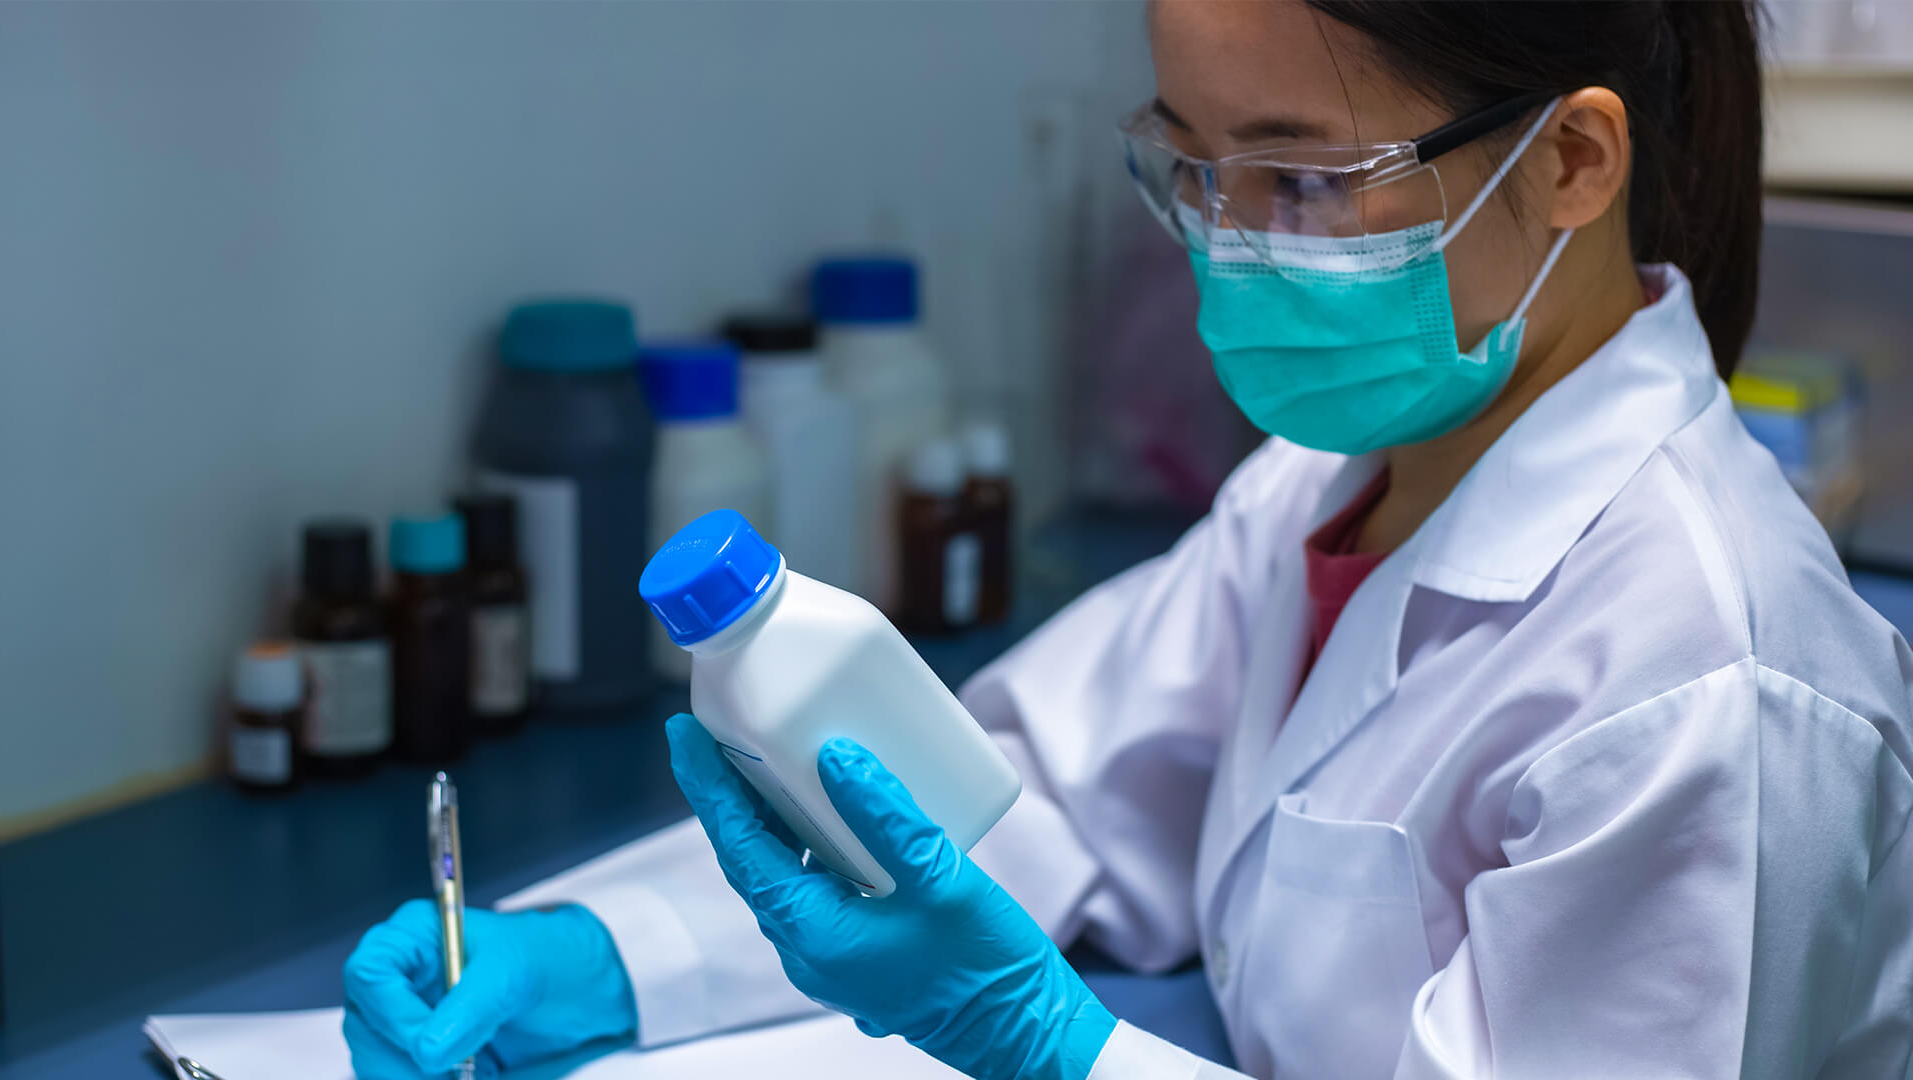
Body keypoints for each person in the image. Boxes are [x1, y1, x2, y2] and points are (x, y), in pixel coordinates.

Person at [341, 2, 1913, 1078]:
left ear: (1570, 162)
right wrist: (608, 956)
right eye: (1195, 168)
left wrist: (1053, 1048)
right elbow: (1027, 798)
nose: (1233, 248)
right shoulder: (1330, 485)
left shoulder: (1707, 679)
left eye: (1304, 180)